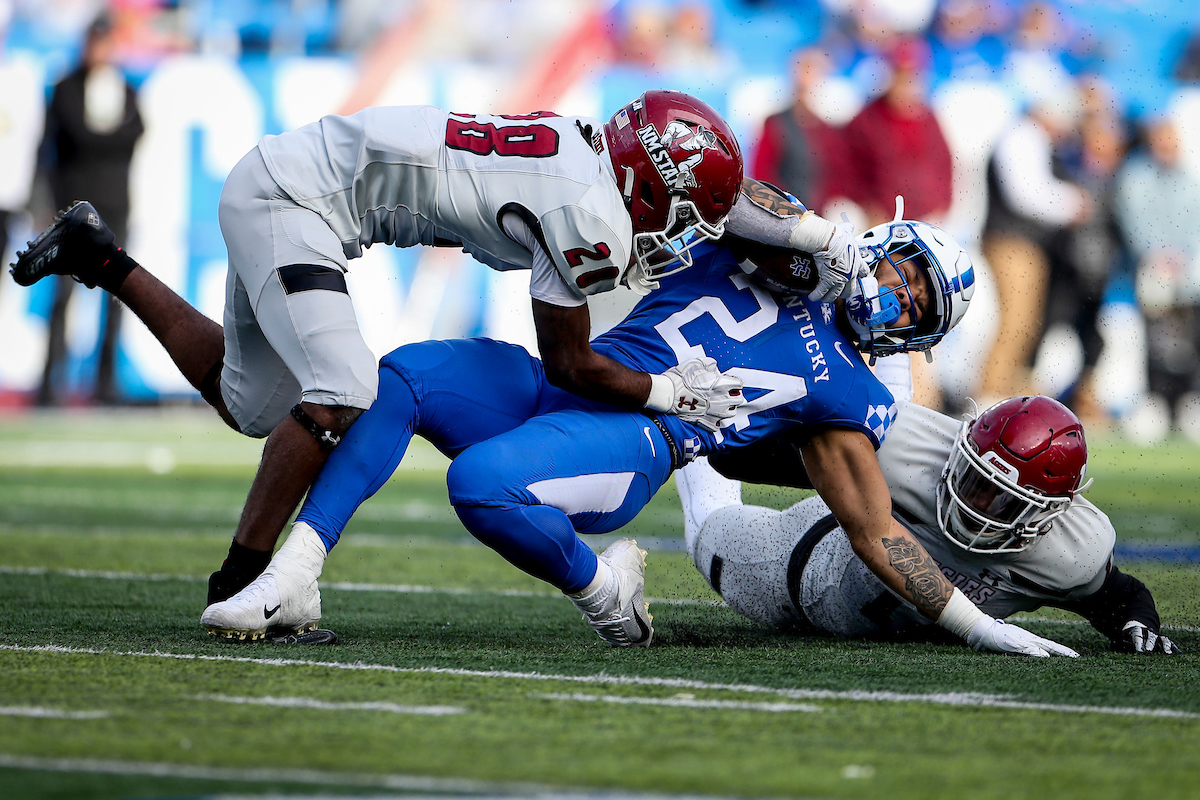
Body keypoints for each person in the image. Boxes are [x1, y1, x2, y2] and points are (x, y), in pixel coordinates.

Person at [16, 90, 817, 607]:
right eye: (679, 210)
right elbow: (571, 364)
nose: (681, 232)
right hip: (294, 201)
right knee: (342, 390)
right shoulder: (592, 215)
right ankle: (246, 581)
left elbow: (710, 209)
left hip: (287, 183)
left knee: (251, 402)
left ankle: (99, 257)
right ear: (644, 182)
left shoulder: (585, 150)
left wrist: (818, 239)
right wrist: (671, 393)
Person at [198, 192, 1065, 660]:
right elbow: (719, 189)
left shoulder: (851, 391)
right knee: (404, 374)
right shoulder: (792, 240)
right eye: (906, 273)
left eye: (918, 304)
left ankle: (603, 589)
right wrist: (810, 234)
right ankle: (297, 573)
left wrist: (976, 625)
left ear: (916, 334)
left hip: (639, 439)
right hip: (568, 380)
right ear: (883, 243)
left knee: (480, 482)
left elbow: (874, 530)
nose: (899, 294)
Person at [681, 392, 1179, 656]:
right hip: (814, 562)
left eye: (1002, 501)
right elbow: (759, 456)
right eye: (974, 479)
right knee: (707, 531)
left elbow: (1117, 596)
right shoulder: (901, 445)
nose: (974, 504)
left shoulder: (1072, 551)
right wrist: (720, 436)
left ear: (1048, 511)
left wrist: (1136, 625)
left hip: (875, 574)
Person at [37, 14, 144, 405]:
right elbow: (65, 139)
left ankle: (105, 384)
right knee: (62, 295)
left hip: (113, 206)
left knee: (116, 295)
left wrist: (99, 137)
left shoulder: (124, 90)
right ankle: (50, 384)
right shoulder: (66, 88)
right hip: (72, 208)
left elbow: (133, 134)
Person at [978, 86, 1091, 405]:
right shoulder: (1023, 137)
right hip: (1011, 242)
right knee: (1015, 322)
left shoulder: (1028, 138)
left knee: (1025, 323)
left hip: (1023, 244)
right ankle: (989, 394)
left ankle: (1004, 393)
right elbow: (1027, 194)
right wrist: (1073, 203)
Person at [837, 36, 953, 228]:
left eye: (913, 76)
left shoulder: (928, 119)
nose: (906, 83)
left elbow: (944, 167)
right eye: (901, 75)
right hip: (879, 223)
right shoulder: (867, 119)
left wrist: (941, 207)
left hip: (925, 221)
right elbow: (846, 170)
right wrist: (867, 206)